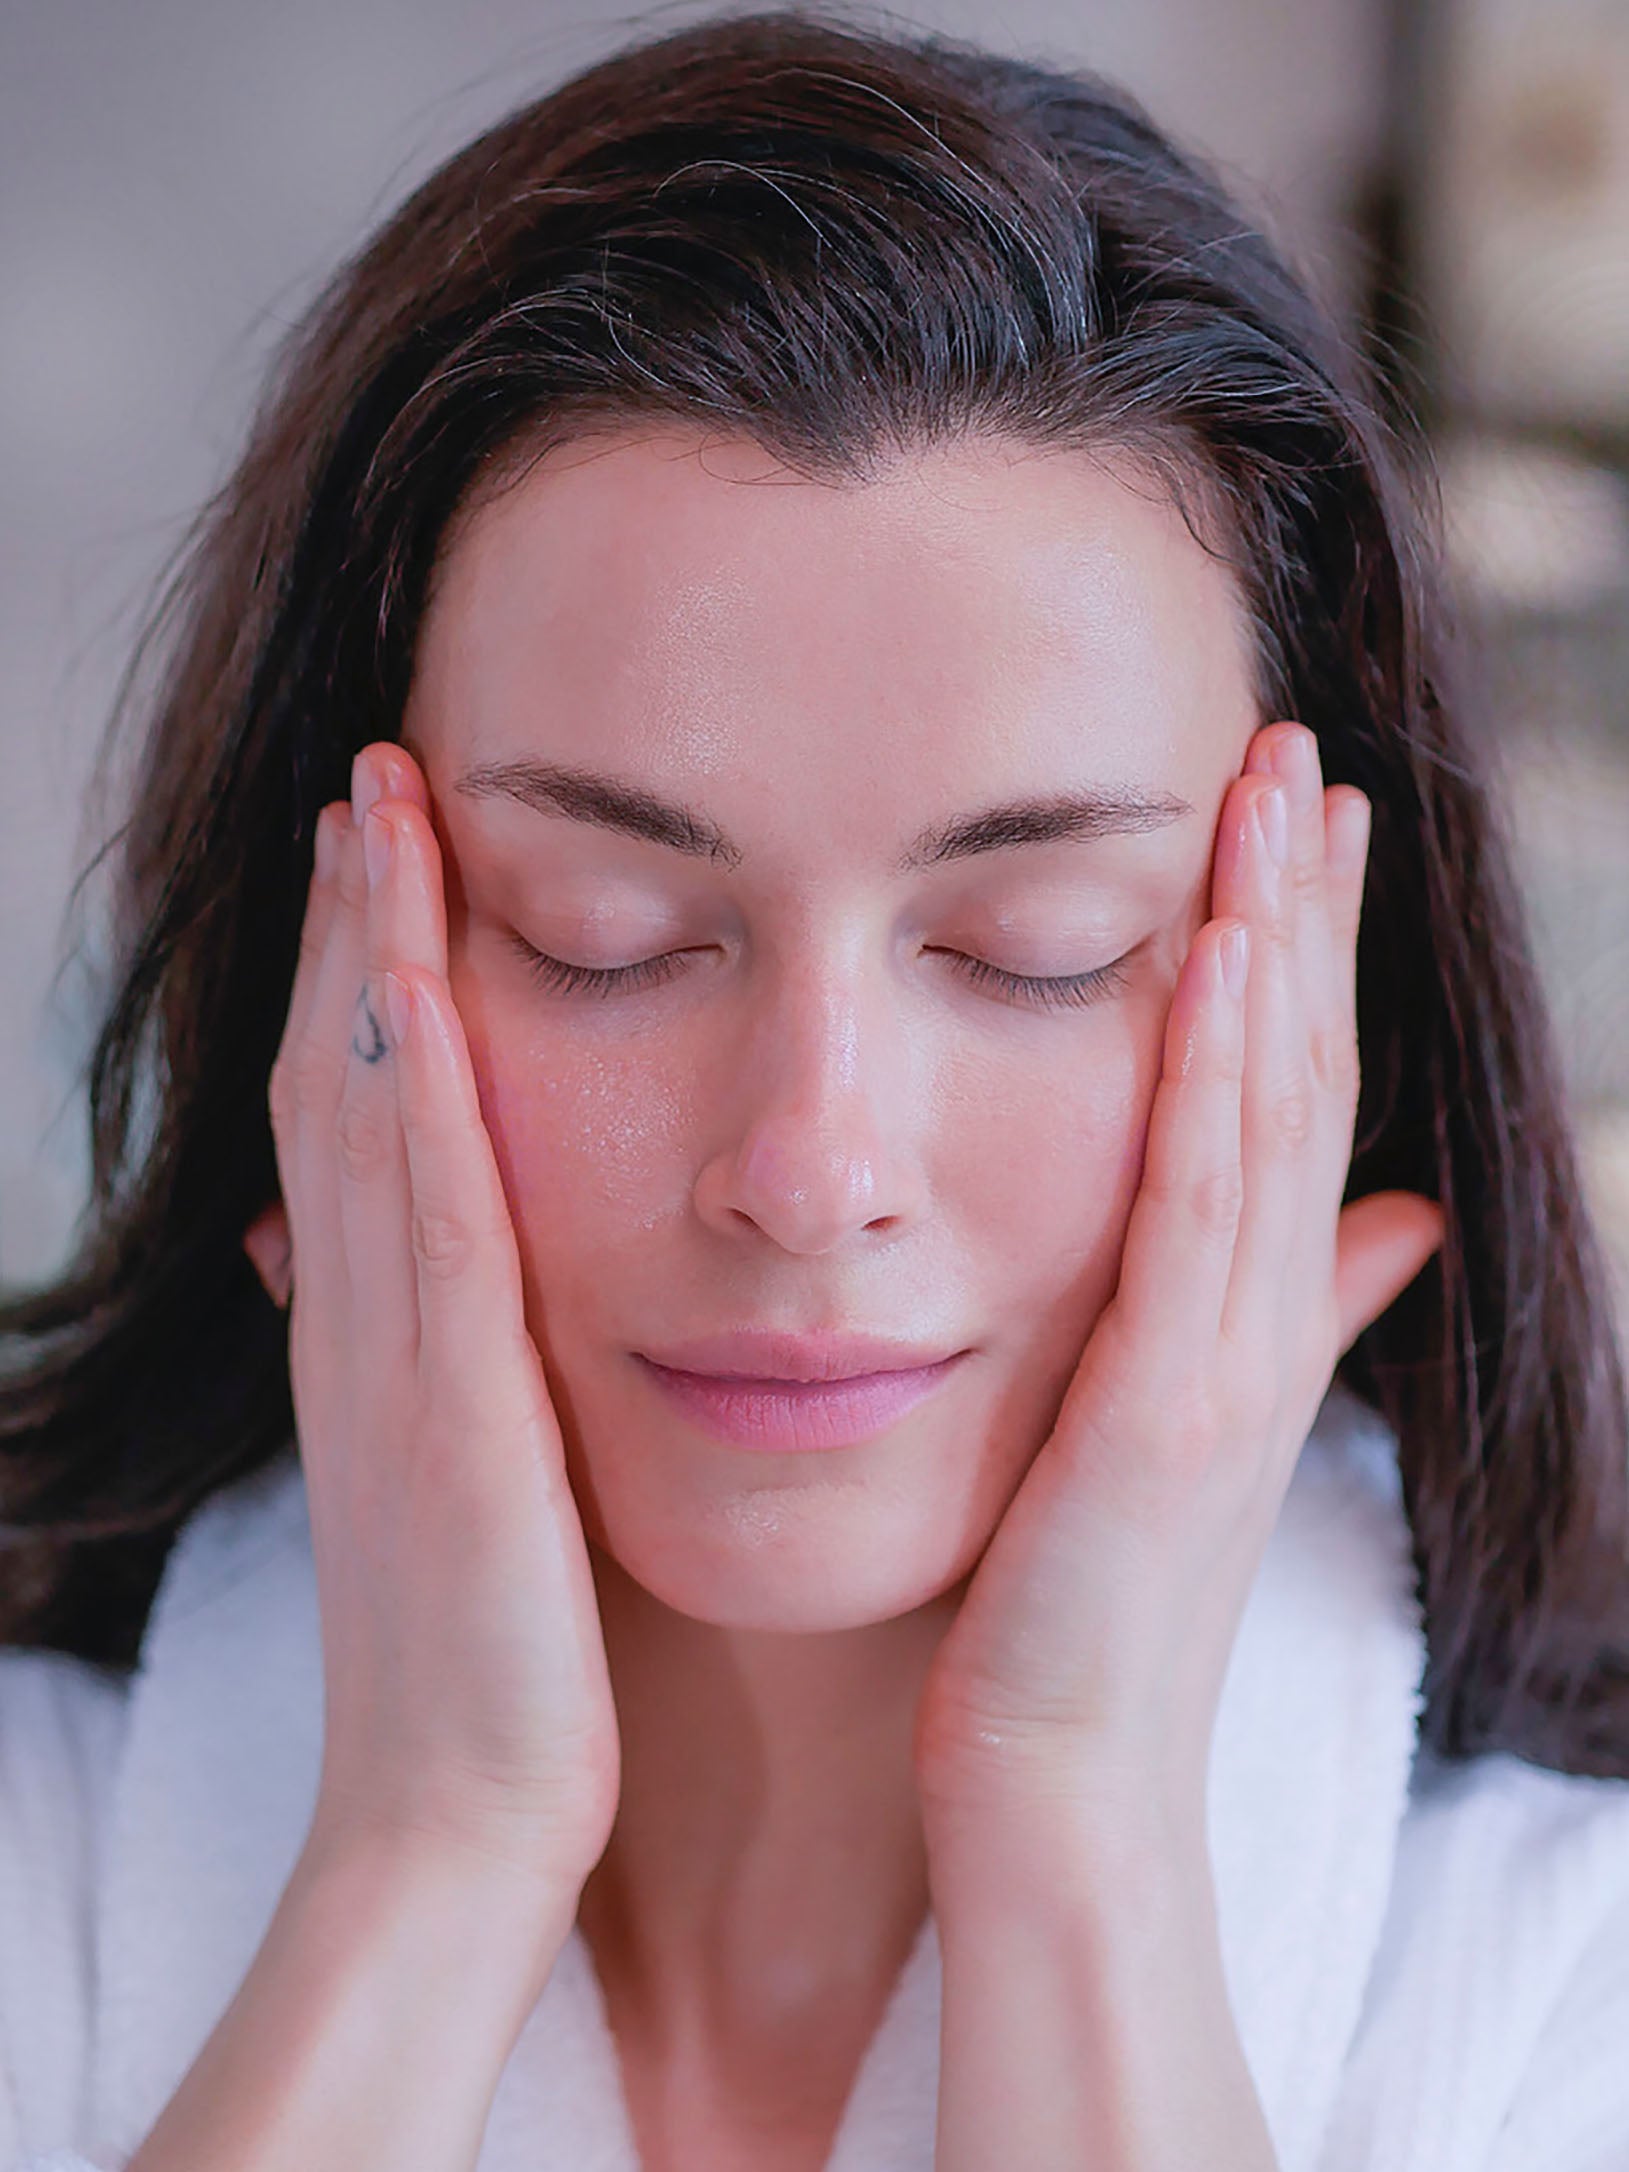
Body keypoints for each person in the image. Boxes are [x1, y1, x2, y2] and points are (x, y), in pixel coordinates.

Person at [3, 8, 1629, 2170]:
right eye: (606, 930)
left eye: (1033, 950)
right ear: (326, 978)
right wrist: (426, 1848)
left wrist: (1081, 1826)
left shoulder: (1561, 1975)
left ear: (1331, 993)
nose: (810, 1167)